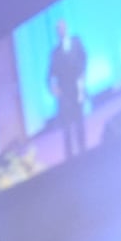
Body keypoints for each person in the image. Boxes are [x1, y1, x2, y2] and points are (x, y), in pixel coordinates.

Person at [46, 18, 87, 159]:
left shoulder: (76, 42)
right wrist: (53, 88)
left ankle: (84, 153)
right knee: (67, 129)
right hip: (64, 94)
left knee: (80, 123)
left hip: (77, 88)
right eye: (58, 29)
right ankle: (70, 159)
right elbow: (49, 76)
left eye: (63, 28)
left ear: (66, 28)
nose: (61, 31)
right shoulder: (55, 53)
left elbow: (84, 58)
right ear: (56, 32)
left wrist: (82, 76)